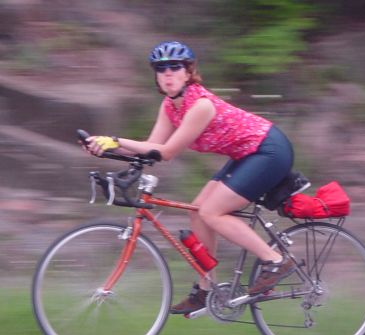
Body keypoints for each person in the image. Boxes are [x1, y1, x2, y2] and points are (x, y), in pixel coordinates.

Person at [84, 41, 298, 314]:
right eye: (161, 69)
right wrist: (104, 148)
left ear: (188, 72)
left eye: (175, 67)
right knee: (198, 212)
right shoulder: (169, 106)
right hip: (246, 154)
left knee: (211, 212)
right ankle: (207, 290)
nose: (168, 73)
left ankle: (276, 260)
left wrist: (115, 140)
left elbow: (168, 152)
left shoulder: (200, 105)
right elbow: (151, 148)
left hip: (269, 150)